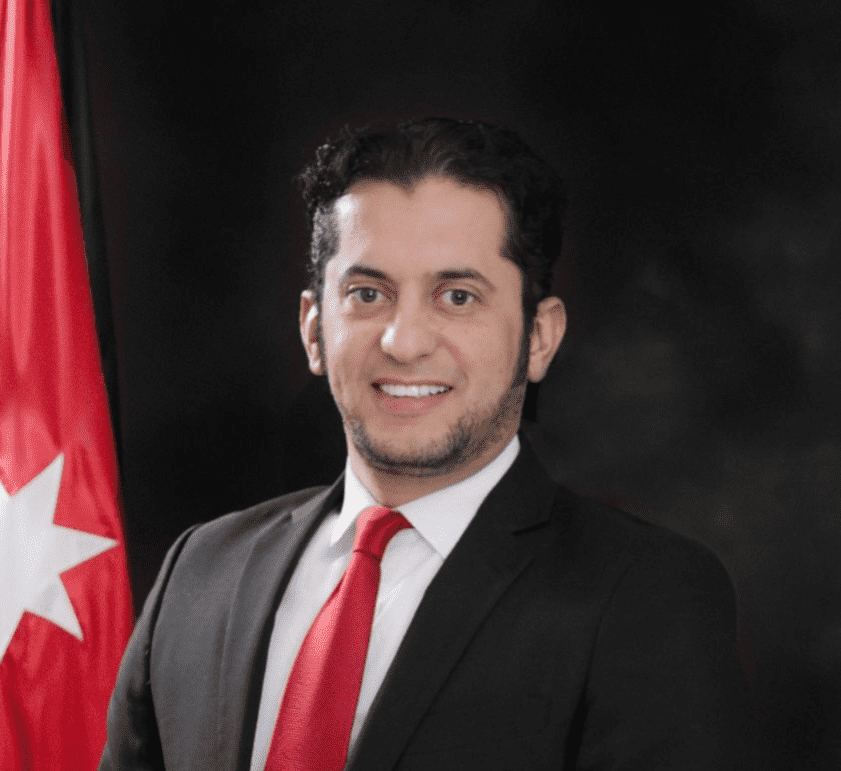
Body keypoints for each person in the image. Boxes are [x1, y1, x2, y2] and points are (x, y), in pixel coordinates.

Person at [100, 118, 749, 770]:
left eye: (457, 296)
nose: (404, 341)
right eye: (367, 293)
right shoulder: (199, 571)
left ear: (539, 338)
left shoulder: (648, 597)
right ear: (313, 329)